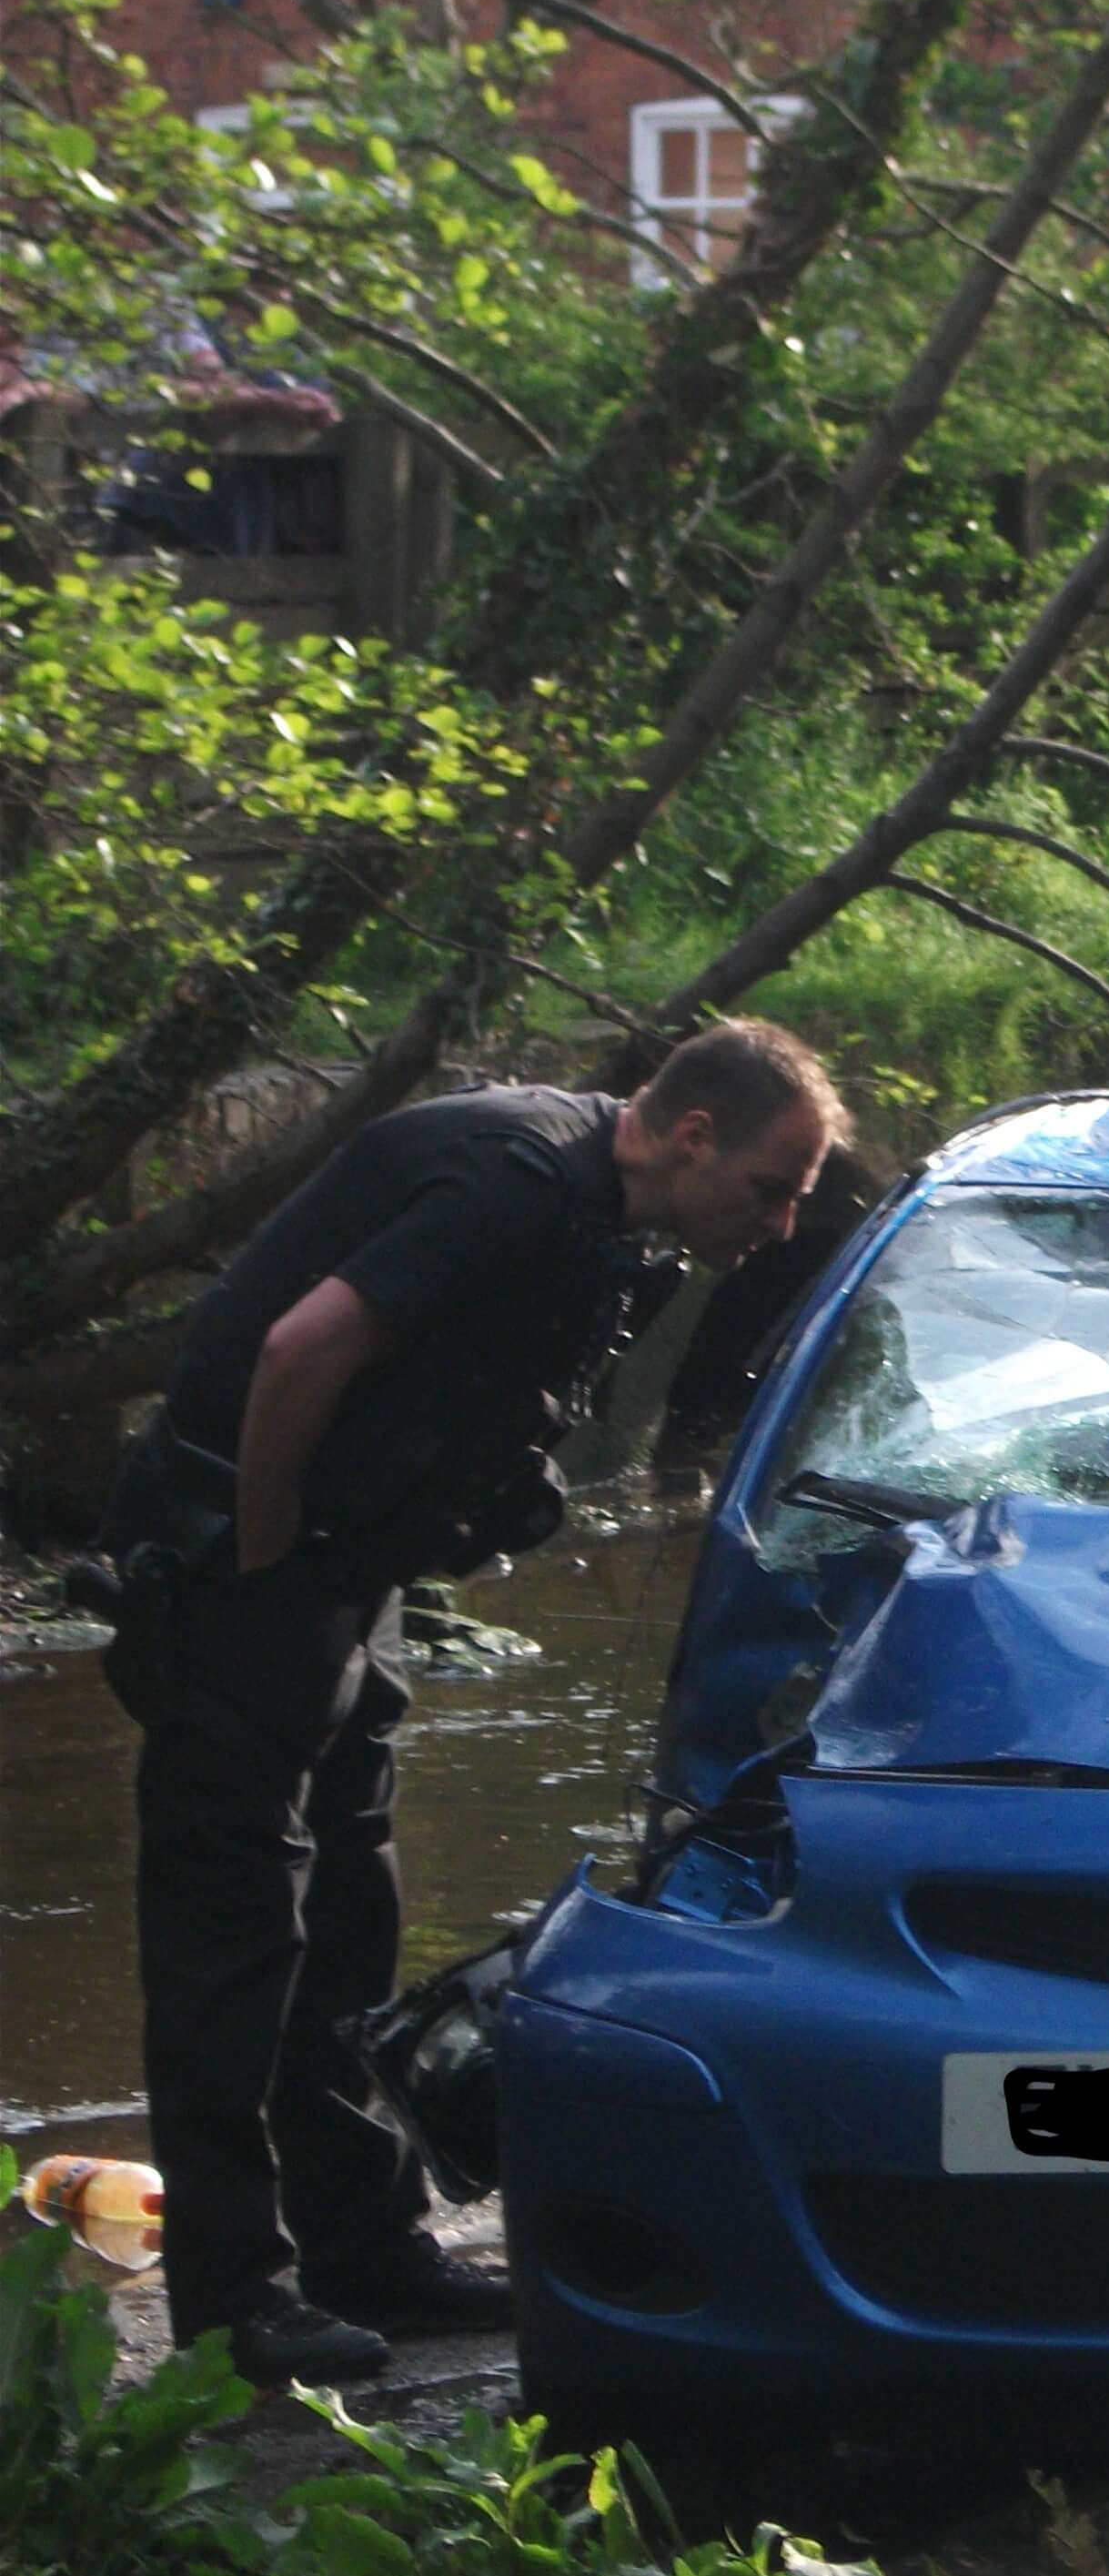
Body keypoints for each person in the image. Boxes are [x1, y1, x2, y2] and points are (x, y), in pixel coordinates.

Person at [96, 1019, 847, 2389]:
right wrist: (265, 1568)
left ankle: (365, 2246)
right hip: (245, 1561)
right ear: (692, 1137)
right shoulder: (515, 1178)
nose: (782, 1222)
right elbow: (298, 1350)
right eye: (772, 1188)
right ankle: (231, 2296)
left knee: (349, 1911)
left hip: (340, 1571)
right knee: (233, 1933)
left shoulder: (598, 1211)